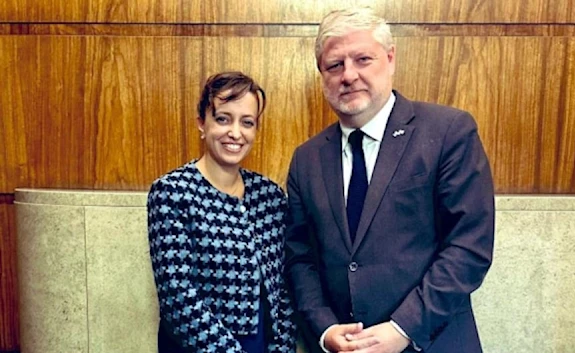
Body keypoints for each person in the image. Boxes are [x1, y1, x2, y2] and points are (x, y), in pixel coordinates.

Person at [284, 7, 495, 353]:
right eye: (335, 65)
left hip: (433, 342)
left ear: (391, 58)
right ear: (322, 74)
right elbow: (300, 257)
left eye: (363, 59)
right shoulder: (306, 159)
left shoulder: (447, 131)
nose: (348, 75)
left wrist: (403, 328)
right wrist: (324, 329)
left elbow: (469, 247)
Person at [147, 71, 296, 353]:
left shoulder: (270, 197)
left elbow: (282, 293)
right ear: (202, 124)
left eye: (247, 122)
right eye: (223, 118)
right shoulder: (172, 192)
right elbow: (177, 298)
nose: (235, 133)